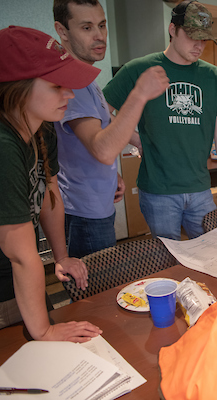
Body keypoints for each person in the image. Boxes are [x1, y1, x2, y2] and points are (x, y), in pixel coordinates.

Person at [0, 26, 103, 341]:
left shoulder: (41, 127)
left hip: (21, 281)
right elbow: (21, 255)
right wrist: (45, 331)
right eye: (56, 85)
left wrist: (61, 256)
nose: (70, 93)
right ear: (17, 88)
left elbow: (50, 193)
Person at [103, 0, 217, 241]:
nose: (199, 45)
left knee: (211, 253)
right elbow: (101, 109)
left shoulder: (213, 75)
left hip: (200, 188)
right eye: (191, 36)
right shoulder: (140, 69)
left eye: (204, 39)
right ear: (172, 30)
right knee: (169, 260)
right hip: (158, 191)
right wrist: (136, 139)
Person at [53, 0, 170, 257]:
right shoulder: (71, 84)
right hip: (84, 211)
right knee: (95, 293)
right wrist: (139, 94)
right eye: (86, 28)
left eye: (102, 25)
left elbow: (100, 128)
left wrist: (110, 173)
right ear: (62, 31)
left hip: (96, 203)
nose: (99, 36)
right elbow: (102, 149)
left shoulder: (88, 78)